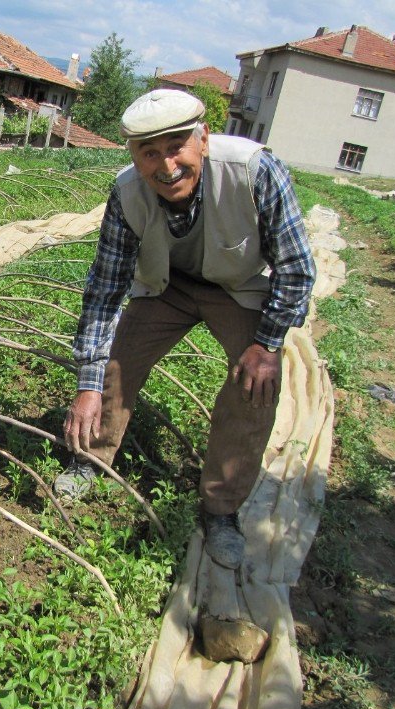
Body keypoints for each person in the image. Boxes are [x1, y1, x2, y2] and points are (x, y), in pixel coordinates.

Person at [56, 88, 315, 569]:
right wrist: (88, 384)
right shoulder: (127, 192)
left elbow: (297, 269)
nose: (166, 165)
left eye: (177, 146)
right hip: (168, 286)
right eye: (149, 153)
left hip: (238, 288)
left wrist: (267, 345)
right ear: (133, 155)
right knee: (115, 361)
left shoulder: (255, 171)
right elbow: (106, 288)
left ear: (204, 140)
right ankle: (90, 460)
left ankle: (220, 509)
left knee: (255, 384)